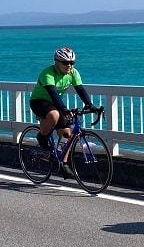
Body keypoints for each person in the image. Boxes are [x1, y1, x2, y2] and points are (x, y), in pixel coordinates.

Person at [29, 47, 96, 179]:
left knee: (67, 134)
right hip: (39, 101)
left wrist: (91, 105)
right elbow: (53, 93)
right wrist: (64, 109)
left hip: (54, 103)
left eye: (72, 62)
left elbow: (80, 90)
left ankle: (63, 162)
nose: (69, 65)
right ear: (57, 62)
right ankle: (42, 136)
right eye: (66, 62)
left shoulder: (73, 73)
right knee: (54, 115)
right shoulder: (48, 73)